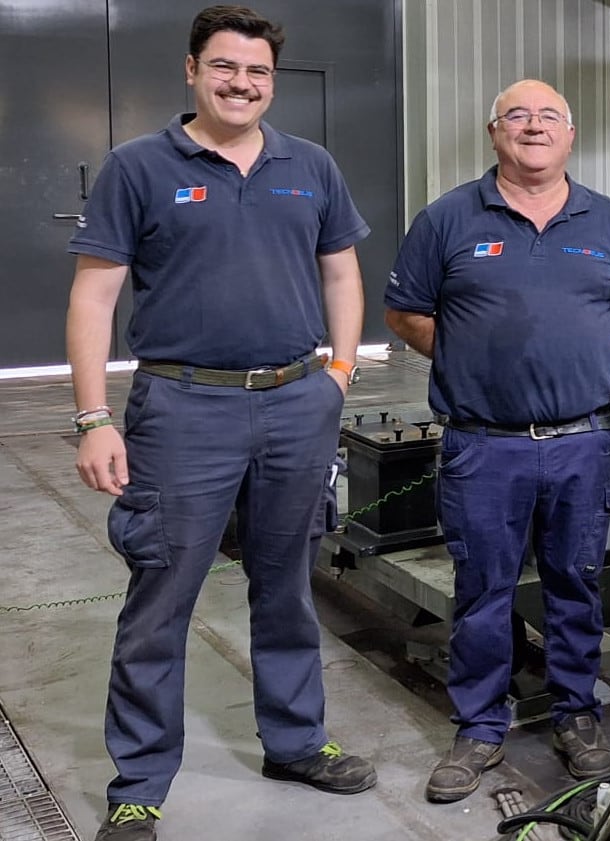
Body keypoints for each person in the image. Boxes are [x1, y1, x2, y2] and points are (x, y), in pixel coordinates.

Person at [65, 6, 376, 839]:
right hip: (181, 407)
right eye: (226, 67)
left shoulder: (309, 165)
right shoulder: (139, 167)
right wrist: (94, 416)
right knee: (161, 592)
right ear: (193, 70)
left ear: (273, 80)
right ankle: (139, 777)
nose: (243, 84)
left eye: (258, 72)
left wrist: (338, 374)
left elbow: (342, 272)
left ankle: (296, 740)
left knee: (289, 585)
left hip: (294, 401)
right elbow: (94, 296)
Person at [385, 79, 610, 799]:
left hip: (583, 443)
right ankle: (478, 726)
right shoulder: (448, 217)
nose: (533, 126)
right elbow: (404, 309)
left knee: (576, 583)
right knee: (483, 589)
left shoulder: (607, 221)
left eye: (549, 117)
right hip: (484, 446)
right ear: (493, 131)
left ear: (569, 135)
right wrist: (465, 354)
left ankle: (577, 712)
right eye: (518, 115)